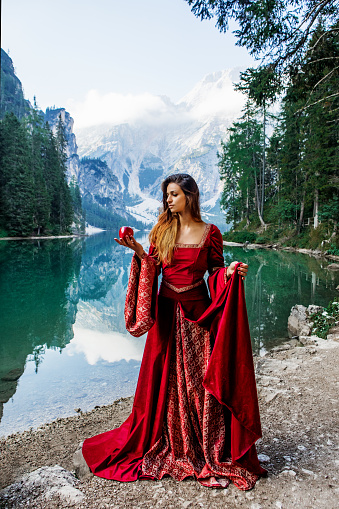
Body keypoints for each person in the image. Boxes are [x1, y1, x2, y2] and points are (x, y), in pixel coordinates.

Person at [82, 173, 266, 490]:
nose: (168, 199)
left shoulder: (211, 233)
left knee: (201, 385)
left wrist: (231, 272)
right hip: (167, 316)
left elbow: (214, 273)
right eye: (166, 194)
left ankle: (206, 449)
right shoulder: (163, 230)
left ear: (190, 197)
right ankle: (174, 445)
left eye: (174, 194)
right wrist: (139, 251)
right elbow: (153, 266)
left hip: (199, 316)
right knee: (162, 382)